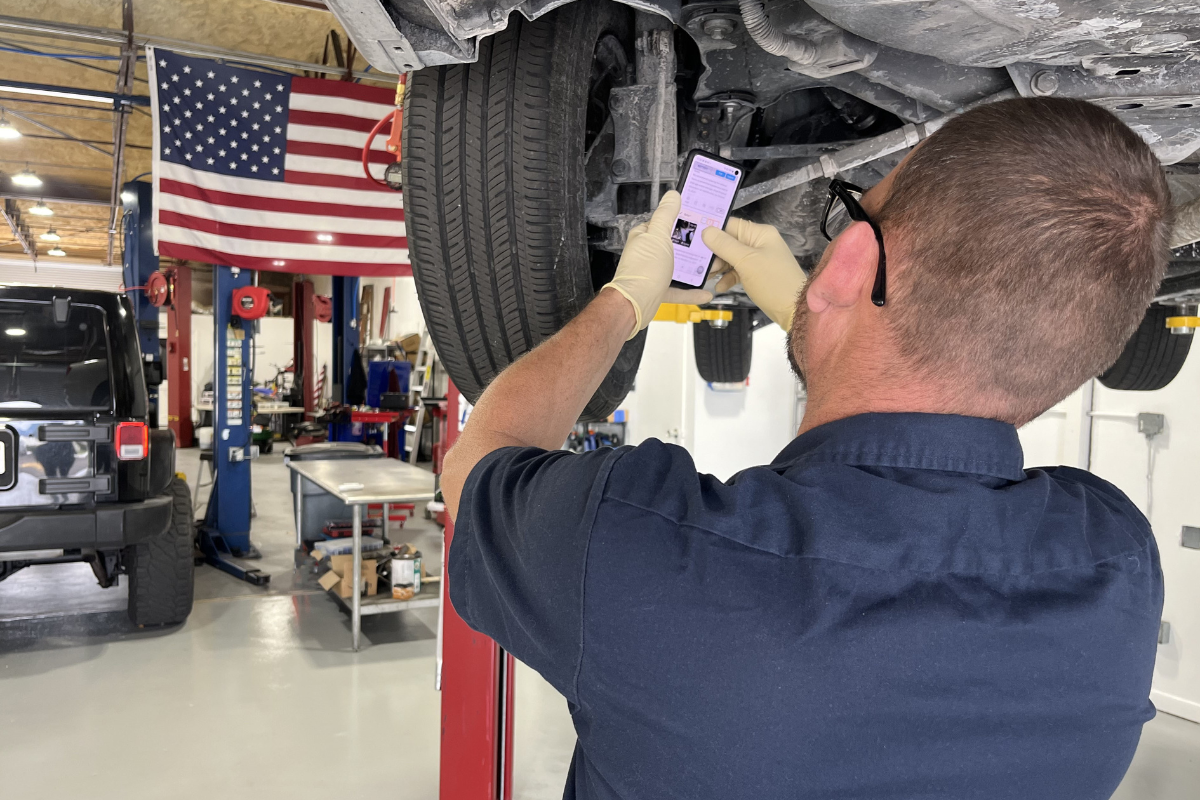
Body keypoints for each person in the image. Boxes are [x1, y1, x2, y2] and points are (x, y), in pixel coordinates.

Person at [439, 97, 1172, 800]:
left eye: (848, 213)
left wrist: (625, 301)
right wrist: (821, 317)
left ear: (849, 262)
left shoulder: (640, 548)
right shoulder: (1114, 564)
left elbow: (479, 459)